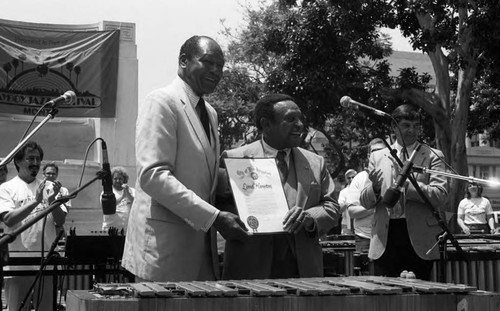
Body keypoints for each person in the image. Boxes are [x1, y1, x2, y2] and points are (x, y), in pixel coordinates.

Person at [121, 35, 247, 282]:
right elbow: (153, 176)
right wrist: (213, 216)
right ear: (183, 61)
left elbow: (202, 177)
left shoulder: (209, 113)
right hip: (164, 251)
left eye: (220, 66)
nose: (216, 71)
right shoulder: (161, 102)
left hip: (201, 252)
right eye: (208, 62)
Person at [221, 93, 340, 280]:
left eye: (300, 118)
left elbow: (332, 207)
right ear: (266, 124)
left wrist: (309, 218)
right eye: (291, 119)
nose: (300, 124)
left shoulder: (316, 162)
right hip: (251, 265)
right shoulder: (234, 158)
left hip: (302, 268)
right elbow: (221, 208)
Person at [360, 104, 447, 281]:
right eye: (406, 125)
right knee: (385, 299)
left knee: (419, 299)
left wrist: (407, 184)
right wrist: (375, 189)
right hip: (385, 237)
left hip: (419, 238)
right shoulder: (378, 156)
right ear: (394, 127)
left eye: (416, 125)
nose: (412, 130)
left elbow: (440, 196)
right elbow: (365, 202)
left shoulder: (433, 155)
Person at [0, 141, 67, 311]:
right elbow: (8, 219)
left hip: (46, 261)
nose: (36, 163)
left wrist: (53, 202)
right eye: (30, 158)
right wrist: (36, 202)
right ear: (18, 161)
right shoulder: (6, 188)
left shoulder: (51, 187)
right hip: (18, 263)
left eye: (38, 159)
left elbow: (60, 221)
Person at [347, 138, 386, 253]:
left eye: (382, 151)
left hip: (388, 237)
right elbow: (352, 212)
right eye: (375, 151)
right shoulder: (359, 178)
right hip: (364, 238)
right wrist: (374, 208)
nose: (378, 154)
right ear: (369, 155)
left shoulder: (394, 177)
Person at [102, 166, 135, 233]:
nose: (118, 181)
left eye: (120, 179)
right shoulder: (106, 193)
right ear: (111, 180)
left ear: (124, 180)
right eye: (115, 178)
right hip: (110, 230)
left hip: (127, 231)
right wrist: (123, 196)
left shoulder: (132, 191)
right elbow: (109, 207)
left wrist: (128, 193)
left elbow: (136, 205)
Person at [338, 169, 356, 234]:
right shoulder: (343, 192)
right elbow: (340, 210)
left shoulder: (361, 191)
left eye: (353, 177)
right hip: (346, 226)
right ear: (346, 179)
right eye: (349, 178)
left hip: (359, 225)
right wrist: (347, 203)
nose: (351, 179)